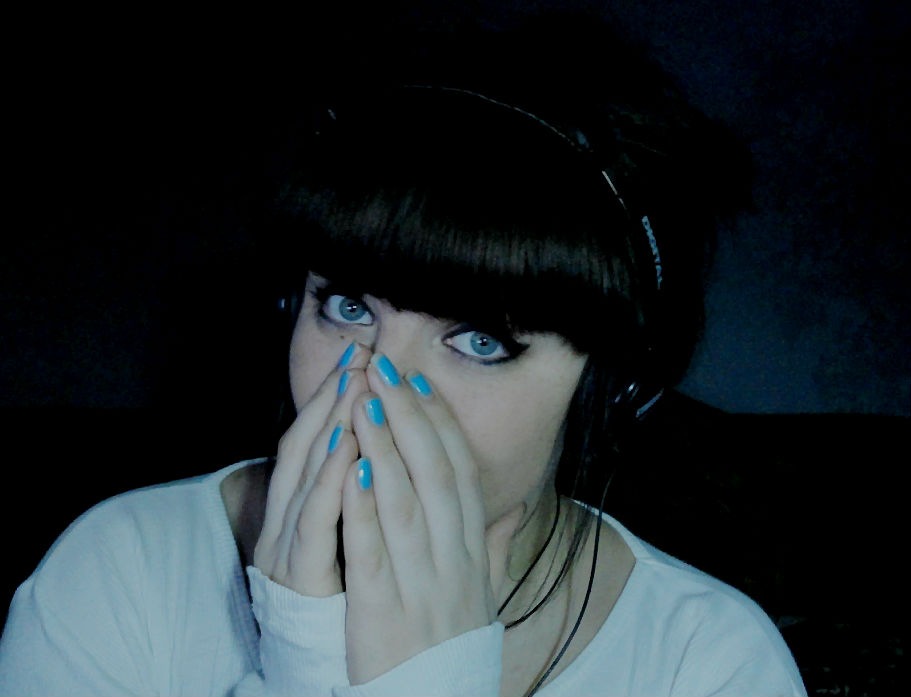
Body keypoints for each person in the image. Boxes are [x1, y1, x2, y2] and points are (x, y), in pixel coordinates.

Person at [0, 11, 808, 696]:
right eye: (348, 307)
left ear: (612, 381)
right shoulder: (121, 574)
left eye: (480, 341)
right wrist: (306, 656)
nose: (374, 395)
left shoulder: (709, 664)